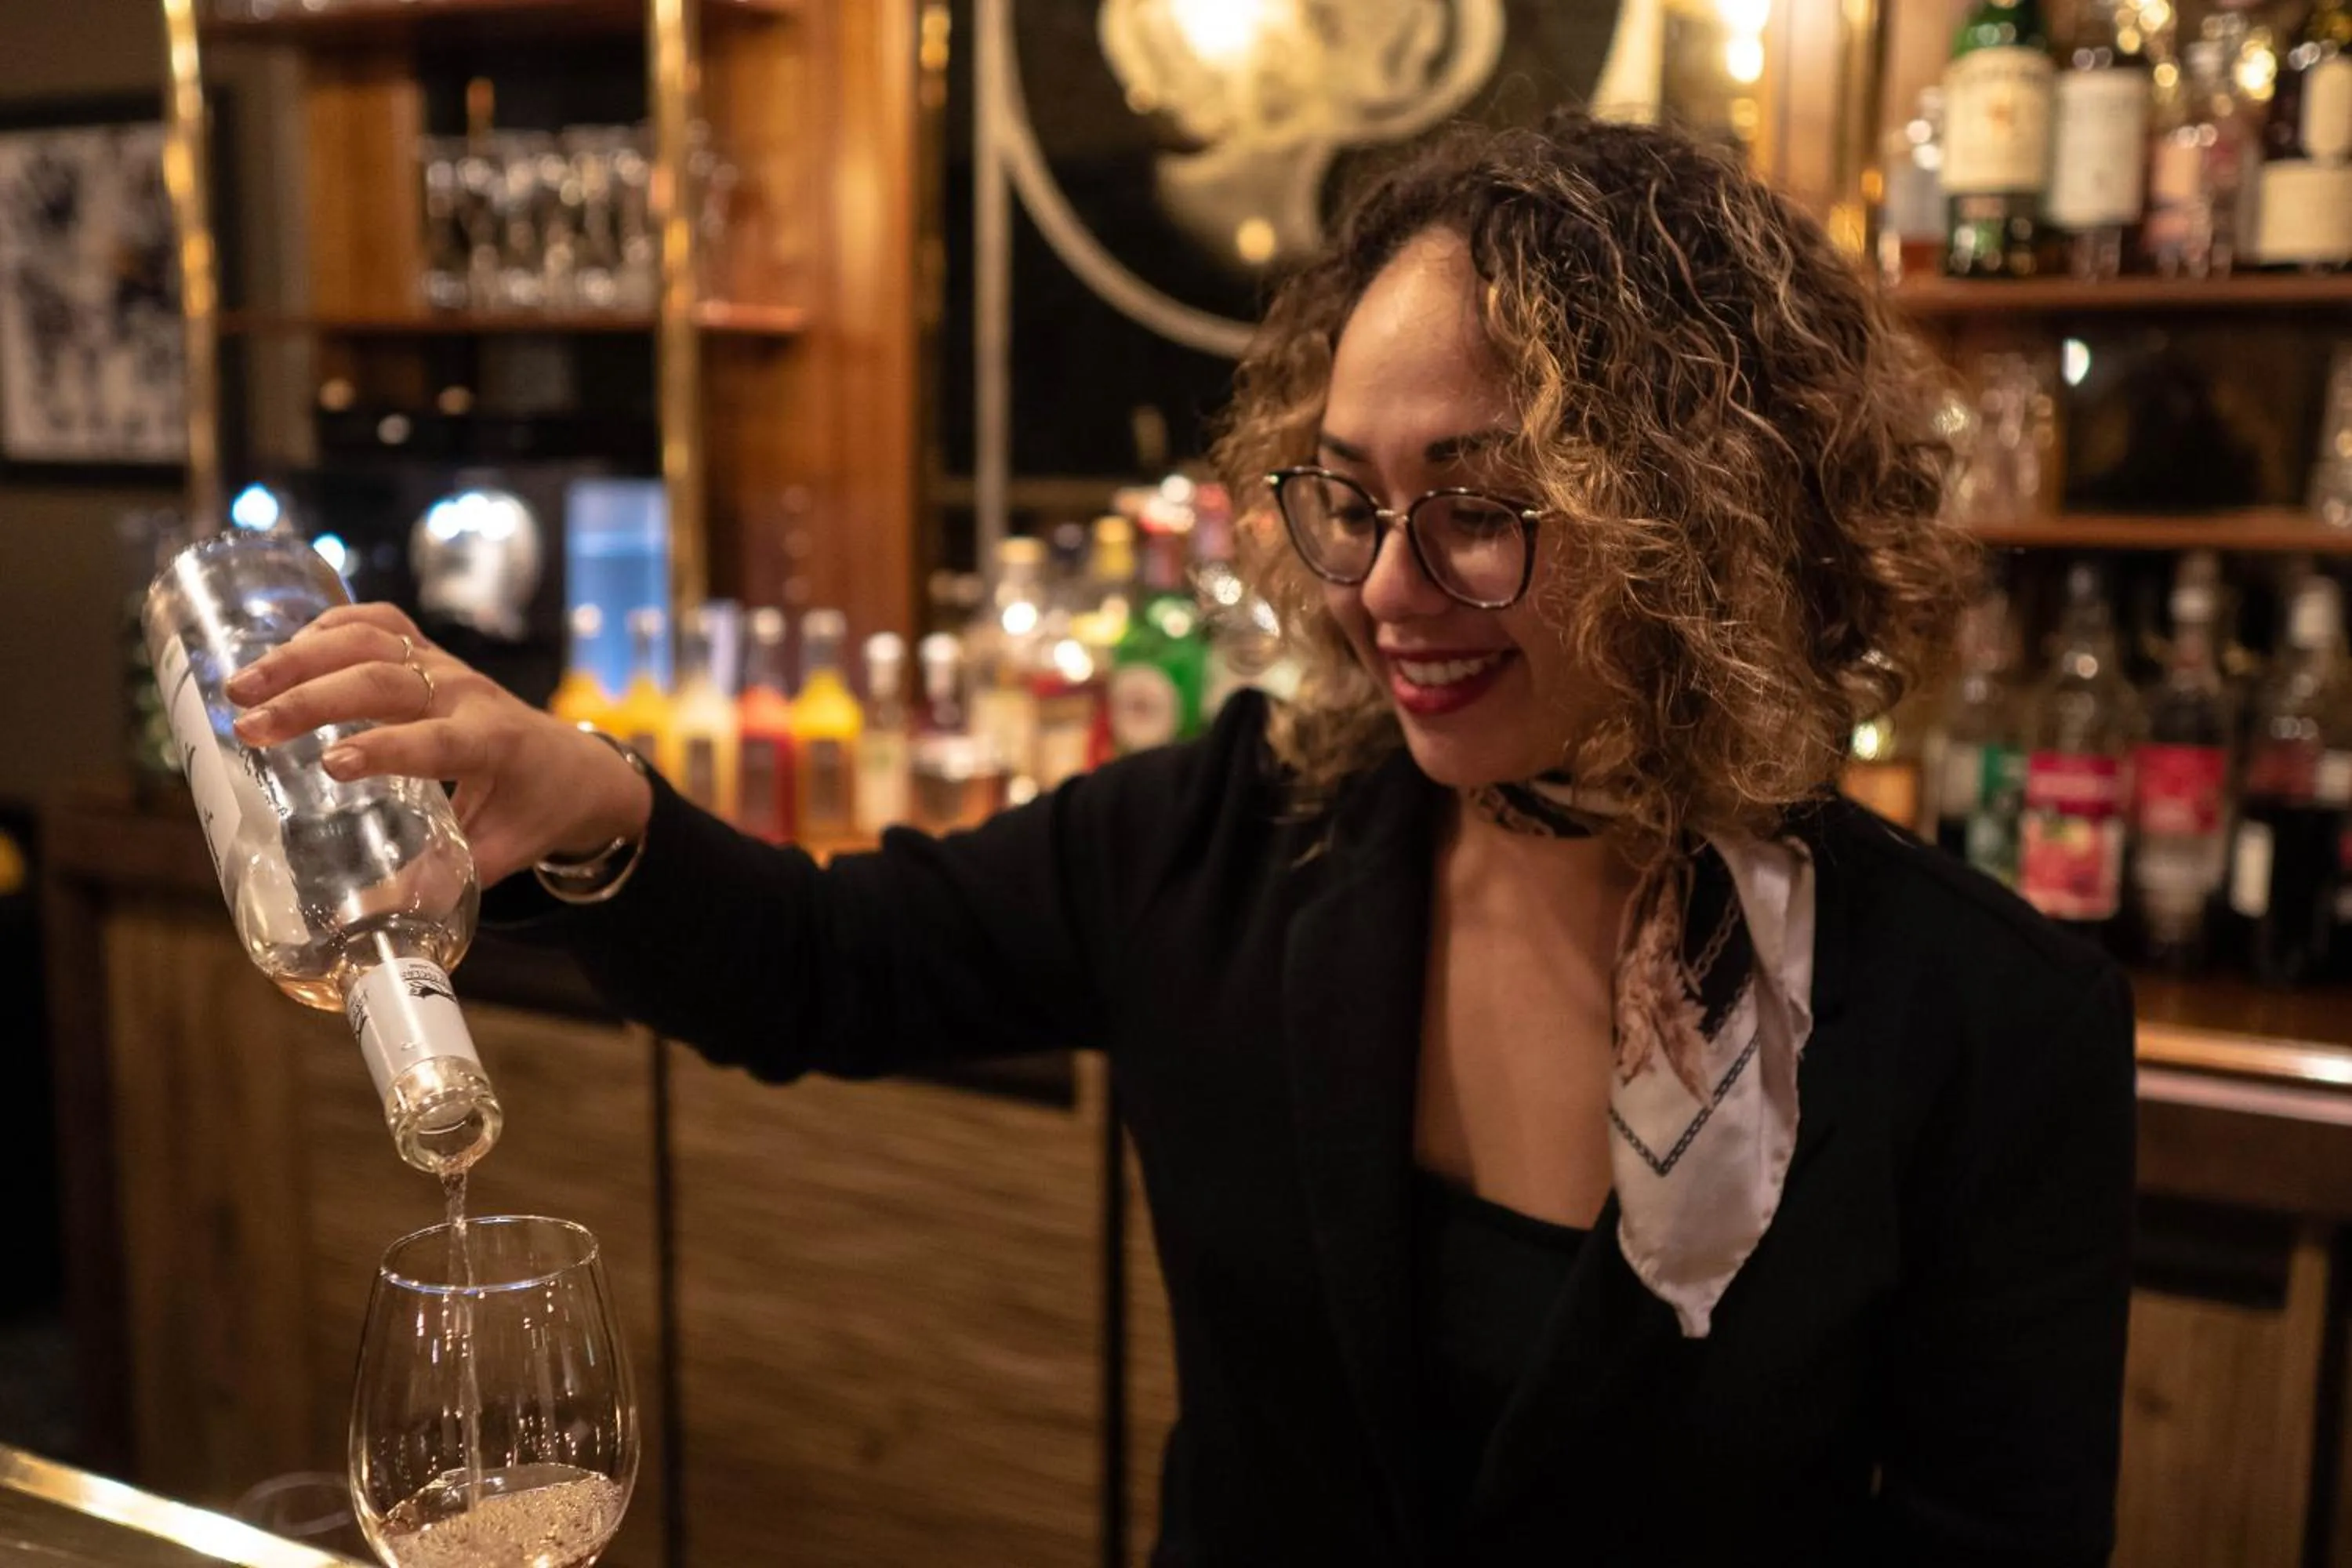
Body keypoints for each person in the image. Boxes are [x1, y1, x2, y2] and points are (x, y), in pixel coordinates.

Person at [225, 112, 2135, 1566]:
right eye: (1350, 499)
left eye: (1476, 505)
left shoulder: (1982, 1018)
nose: (1390, 588)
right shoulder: (1243, 835)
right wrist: (592, 797)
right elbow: (831, 963)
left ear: (1701, 523)